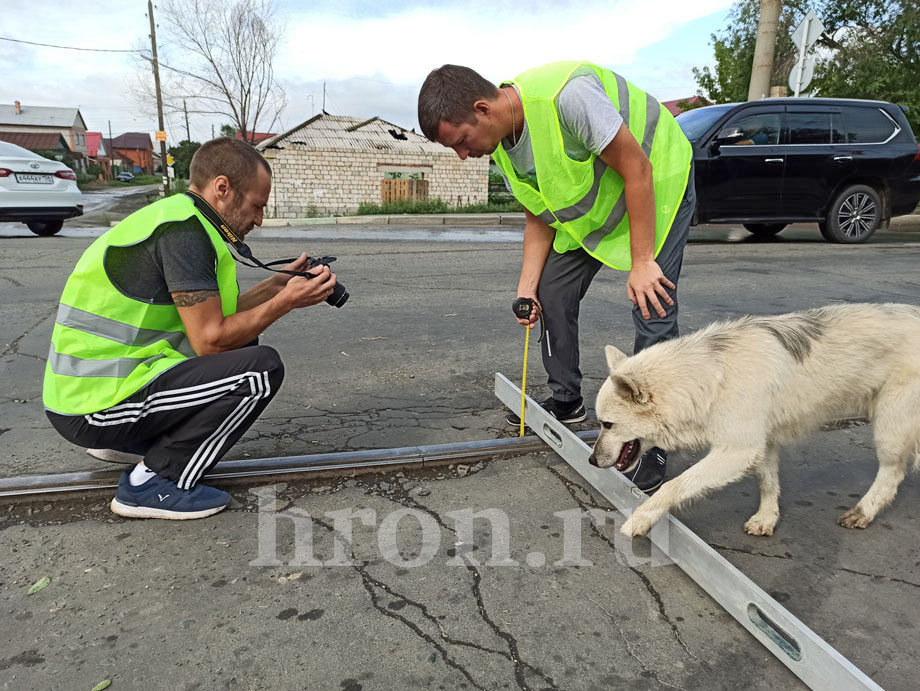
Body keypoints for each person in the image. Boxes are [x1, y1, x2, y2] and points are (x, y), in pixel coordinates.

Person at [418, 61, 695, 491]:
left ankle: (653, 436)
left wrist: (642, 262)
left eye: (461, 141)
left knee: (651, 302)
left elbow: (637, 168)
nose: (463, 155)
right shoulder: (503, 146)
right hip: (603, 204)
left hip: (657, 180)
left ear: (482, 108)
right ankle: (566, 401)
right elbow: (538, 218)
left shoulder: (568, 99)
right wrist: (526, 288)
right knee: (551, 289)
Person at [43, 138, 338, 519]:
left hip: (90, 395)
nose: (260, 219)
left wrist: (275, 286)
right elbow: (211, 341)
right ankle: (154, 482)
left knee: (244, 341)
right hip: (94, 406)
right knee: (258, 372)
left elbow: (211, 319)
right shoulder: (185, 235)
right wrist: (286, 303)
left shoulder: (178, 218)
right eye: (257, 206)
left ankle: (134, 444)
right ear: (223, 188)